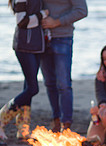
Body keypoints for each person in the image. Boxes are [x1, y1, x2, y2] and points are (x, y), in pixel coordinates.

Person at [0, 0, 49, 146]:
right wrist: (42, 15)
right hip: (24, 46)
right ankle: (1, 119)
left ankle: (23, 130)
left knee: (27, 87)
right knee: (33, 89)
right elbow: (21, 21)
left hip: (36, 46)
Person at [40, 0, 87, 132]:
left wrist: (57, 22)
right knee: (49, 82)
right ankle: (56, 119)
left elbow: (82, 10)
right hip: (41, 38)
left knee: (64, 84)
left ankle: (66, 123)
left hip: (63, 37)